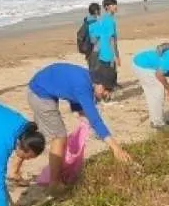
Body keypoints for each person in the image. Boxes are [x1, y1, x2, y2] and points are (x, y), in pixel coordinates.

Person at [11, 63, 134, 193]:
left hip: (41, 87)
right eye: (107, 89)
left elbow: (70, 91)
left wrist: (79, 112)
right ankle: (54, 184)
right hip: (40, 94)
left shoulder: (87, 79)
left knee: (38, 136)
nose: (107, 94)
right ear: (98, 83)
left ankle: (14, 170)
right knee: (59, 137)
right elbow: (95, 119)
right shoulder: (83, 86)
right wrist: (116, 148)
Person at [78, 2, 102, 72]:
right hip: (94, 50)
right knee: (96, 70)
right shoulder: (94, 23)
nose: (100, 11)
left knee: (92, 69)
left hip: (87, 49)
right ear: (96, 11)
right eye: (99, 10)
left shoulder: (86, 22)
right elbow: (94, 40)